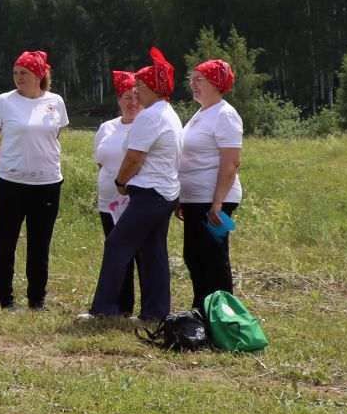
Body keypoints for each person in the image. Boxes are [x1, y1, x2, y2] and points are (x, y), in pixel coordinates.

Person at [83, 48, 184, 322]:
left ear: (154, 87)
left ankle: (104, 309)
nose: (136, 93)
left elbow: (134, 157)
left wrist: (120, 181)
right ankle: (155, 312)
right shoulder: (168, 112)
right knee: (153, 252)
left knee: (117, 244)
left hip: (150, 193)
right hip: (166, 193)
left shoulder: (150, 116)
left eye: (140, 87)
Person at [0, 51, 70, 310]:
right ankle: (5, 299)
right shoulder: (4, 101)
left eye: (24, 73)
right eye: (15, 73)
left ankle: (36, 299)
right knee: (6, 240)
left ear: (39, 75)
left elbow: (54, 136)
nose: (18, 78)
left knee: (40, 243)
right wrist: (3, 164)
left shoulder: (55, 101)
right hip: (12, 183)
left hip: (47, 183)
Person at [179, 57, 244, 307]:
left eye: (199, 80)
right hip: (196, 199)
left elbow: (231, 161)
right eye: (192, 79)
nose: (193, 84)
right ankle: (201, 310)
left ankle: (223, 316)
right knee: (193, 257)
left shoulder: (225, 114)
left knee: (213, 259)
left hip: (214, 200)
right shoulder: (200, 113)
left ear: (217, 83)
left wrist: (217, 202)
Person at [90, 73, 144, 317]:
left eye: (136, 96)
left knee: (140, 254)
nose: (132, 102)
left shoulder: (147, 124)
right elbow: (102, 162)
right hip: (109, 202)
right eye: (126, 97)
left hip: (137, 201)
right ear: (118, 100)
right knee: (115, 253)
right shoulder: (106, 127)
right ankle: (122, 307)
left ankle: (149, 308)